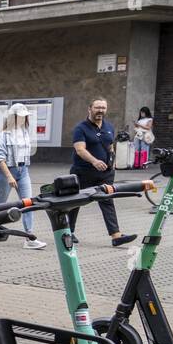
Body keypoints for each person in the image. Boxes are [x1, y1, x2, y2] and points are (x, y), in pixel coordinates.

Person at [70, 97, 136, 246]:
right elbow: (80, 149)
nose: (100, 110)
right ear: (90, 109)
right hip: (83, 171)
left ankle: (116, 236)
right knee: (75, 201)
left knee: (107, 200)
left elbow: (109, 145)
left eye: (103, 108)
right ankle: (69, 231)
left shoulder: (109, 127)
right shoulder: (81, 128)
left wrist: (112, 160)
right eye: (97, 107)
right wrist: (94, 161)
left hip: (105, 173)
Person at [0, 103, 45, 249]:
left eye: (25, 116)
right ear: (13, 117)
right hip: (7, 172)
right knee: (0, 205)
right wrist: (9, 176)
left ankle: (30, 237)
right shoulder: (4, 135)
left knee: (28, 203)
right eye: (20, 116)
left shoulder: (25, 132)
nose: (23, 119)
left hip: (23, 171)